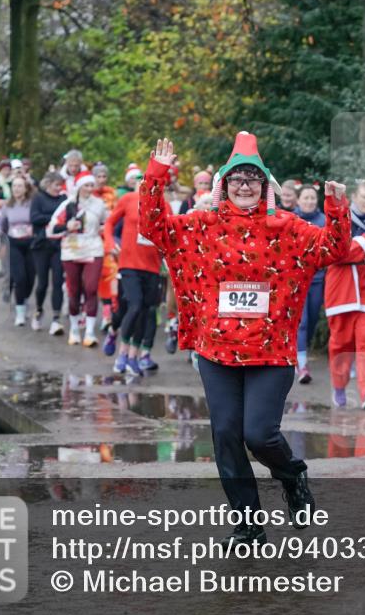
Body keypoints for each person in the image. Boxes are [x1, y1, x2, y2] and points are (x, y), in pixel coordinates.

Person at [139, 134, 350, 546]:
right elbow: (154, 228)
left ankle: (291, 475)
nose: (244, 185)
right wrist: (156, 175)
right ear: (224, 185)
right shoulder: (201, 227)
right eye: (236, 178)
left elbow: (334, 249)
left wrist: (337, 208)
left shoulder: (287, 228)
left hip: (270, 353)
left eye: (253, 178)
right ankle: (248, 522)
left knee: (259, 434)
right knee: (226, 435)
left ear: (266, 186)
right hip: (217, 352)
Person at [324, 179, 365, 409]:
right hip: (341, 292)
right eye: (364, 197)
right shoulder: (340, 219)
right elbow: (337, 253)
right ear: (355, 198)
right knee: (340, 344)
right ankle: (339, 385)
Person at [103, 179, 163, 376]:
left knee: (145, 311)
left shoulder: (164, 204)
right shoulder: (128, 199)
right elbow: (110, 223)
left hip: (152, 267)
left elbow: (170, 232)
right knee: (133, 306)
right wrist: (110, 245)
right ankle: (122, 353)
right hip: (129, 263)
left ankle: (134, 356)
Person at [48, 170, 107, 347]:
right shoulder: (68, 205)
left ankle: (89, 332)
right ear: (79, 187)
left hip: (93, 249)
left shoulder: (99, 204)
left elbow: (107, 223)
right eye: (87, 185)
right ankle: (74, 329)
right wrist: (67, 226)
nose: (90, 188)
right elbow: (51, 228)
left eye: (92, 185)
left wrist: (104, 231)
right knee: (74, 291)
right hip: (72, 250)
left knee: (91, 288)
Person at [0, 176, 37, 326]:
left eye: (20, 186)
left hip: (30, 243)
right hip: (14, 243)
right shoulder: (8, 205)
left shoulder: (32, 204)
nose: (16, 189)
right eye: (14, 186)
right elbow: (1, 224)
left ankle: (24, 299)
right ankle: (20, 312)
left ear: (26, 188)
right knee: (19, 278)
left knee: (30, 279)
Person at [293, 185, 326, 383]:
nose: (309, 201)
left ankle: (300, 353)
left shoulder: (323, 221)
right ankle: (302, 365)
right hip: (296, 279)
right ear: (298, 200)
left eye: (312, 198)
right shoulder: (290, 220)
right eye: (305, 198)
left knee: (312, 321)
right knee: (302, 323)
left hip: (318, 279)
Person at [30, 172, 68, 335]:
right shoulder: (38, 198)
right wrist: (53, 219)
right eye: (56, 185)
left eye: (60, 185)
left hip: (59, 245)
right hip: (41, 245)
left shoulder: (63, 200)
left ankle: (56, 319)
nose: (58, 188)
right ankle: (38, 310)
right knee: (42, 283)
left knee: (58, 281)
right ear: (48, 184)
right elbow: (35, 218)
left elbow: (67, 219)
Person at [92, 162, 119, 331]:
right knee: (91, 278)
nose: (101, 180)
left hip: (107, 239)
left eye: (104, 176)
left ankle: (108, 315)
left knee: (109, 274)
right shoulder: (87, 192)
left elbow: (116, 215)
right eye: (98, 176)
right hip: (89, 240)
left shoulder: (112, 193)